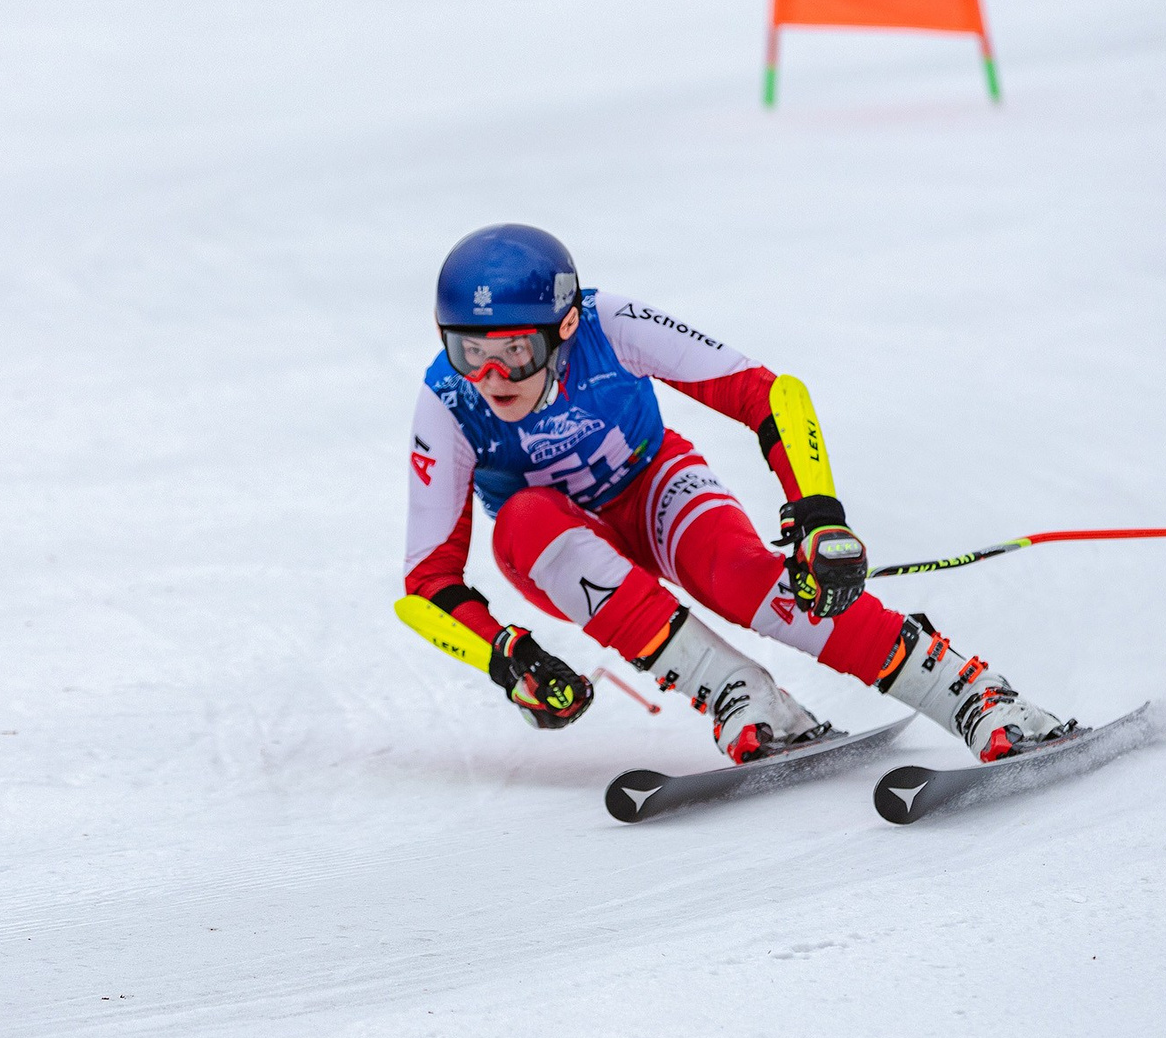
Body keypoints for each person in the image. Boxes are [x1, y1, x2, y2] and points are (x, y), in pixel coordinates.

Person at [404, 222, 1071, 765]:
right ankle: (742, 695)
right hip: (560, 545)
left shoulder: (613, 321)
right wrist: (505, 654)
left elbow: (767, 392)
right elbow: (427, 584)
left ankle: (974, 693)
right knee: (520, 519)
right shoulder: (448, 401)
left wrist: (818, 515)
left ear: (566, 326)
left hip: (654, 486)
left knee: (740, 579)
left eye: (516, 351)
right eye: (468, 351)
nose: (491, 376)